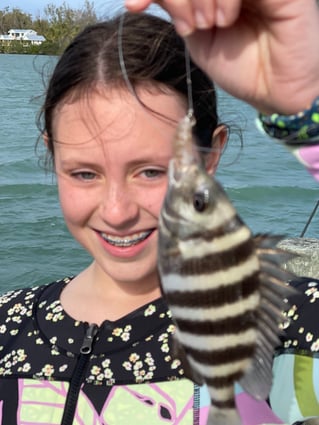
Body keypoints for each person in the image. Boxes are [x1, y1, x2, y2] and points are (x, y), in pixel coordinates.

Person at [0, 1, 318, 424]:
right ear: (51, 157)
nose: (117, 212)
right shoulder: (7, 327)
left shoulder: (296, 324)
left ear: (210, 157)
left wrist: (302, 103)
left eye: (151, 171)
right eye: (83, 173)